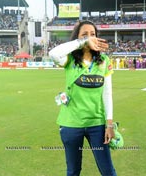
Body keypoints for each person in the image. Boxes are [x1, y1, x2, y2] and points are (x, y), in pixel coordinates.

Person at [49, 20, 117, 176]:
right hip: (71, 124)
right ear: (77, 38)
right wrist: (83, 42)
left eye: (93, 34)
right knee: (73, 171)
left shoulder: (104, 61)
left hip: (97, 124)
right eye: (84, 34)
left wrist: (110, 124)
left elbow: (107, 93)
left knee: (108, 171)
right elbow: (53, 53)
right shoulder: (69, 59)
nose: (90, 38)